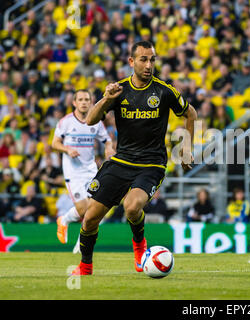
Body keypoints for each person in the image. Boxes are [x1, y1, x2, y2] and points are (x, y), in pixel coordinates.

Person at [71, 41, 197, 275]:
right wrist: (107, 99)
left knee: (131, 207)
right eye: (143, 59)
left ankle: (139, 244)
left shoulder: (164, 91)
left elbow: (191, 113)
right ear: (131, 62)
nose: (149, 65)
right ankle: (85, 266)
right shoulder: (118, 90)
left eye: (152, 59)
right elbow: (89, 120)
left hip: (151, 163)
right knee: (89, 219)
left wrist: (186, 148)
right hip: (121, 161)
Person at [52, 89, 114, 247]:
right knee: (83, 210)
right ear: (74, 103)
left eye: (87, 99)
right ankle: (64, 220)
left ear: (91, 102)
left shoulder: (96, 122)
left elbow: (106, 140)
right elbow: (54, 144)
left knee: (96, 210)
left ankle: (80, 247)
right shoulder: (66, 122)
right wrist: (67, 149)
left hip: (91, 170)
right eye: (80, 99)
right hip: (73, 172)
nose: (84, 102)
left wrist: (108, 148)